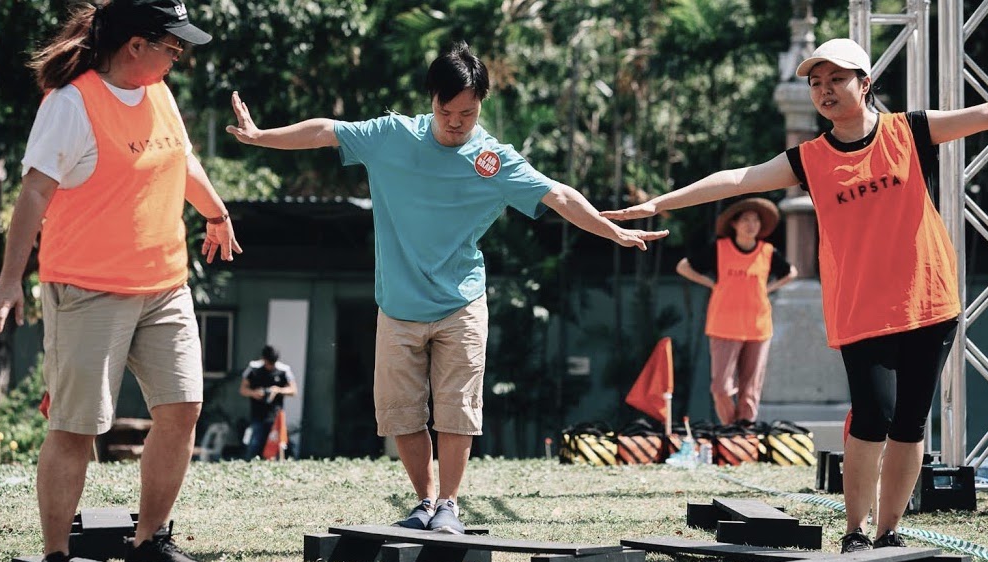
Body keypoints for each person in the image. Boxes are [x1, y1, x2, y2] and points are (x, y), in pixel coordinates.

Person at [603, 38, 988, 552]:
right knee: (872, 417)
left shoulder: (909, 131)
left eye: (836, 80)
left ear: (864, 84)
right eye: (816, 83)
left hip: (929, 302)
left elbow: (987, 112)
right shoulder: (810, 159)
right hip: (862, 310)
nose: (824, 91)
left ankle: (889, 531)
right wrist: (657, 205)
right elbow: (736, 179)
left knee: (912, 422)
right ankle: (853, 532)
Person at [226, 42, 666, 534]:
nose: (456, 122)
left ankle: (450, 507)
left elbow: (559, 194)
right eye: (446, 110)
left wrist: (612, 231)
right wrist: (262, 136)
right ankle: (423, 501)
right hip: (397, 305)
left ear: (482, 105)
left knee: (457, 410)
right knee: (403, 413)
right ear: (430, 99)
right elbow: (327, 131)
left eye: (468, 113)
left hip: (461, 303)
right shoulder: (391, 136)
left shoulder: (494, 161)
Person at [0, 0, 238, 562]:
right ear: (135, 46)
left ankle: (149, 541)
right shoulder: (72, 105)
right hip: (89, 289)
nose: (179, 55)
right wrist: (9, 279)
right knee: (76, 426)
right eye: (172, 45)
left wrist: (216, 212)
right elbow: (34, 196)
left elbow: (181, 161)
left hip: (165, 285)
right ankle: (55, 557)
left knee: (182, 407)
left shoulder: (160, 94)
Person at [676, 197, 797, 424]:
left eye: (755, 220)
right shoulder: (719, 249)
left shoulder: (767, 252)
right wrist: (711, 284)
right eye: (746, 220)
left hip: (758, 326)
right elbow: (683, 266)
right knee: (721, 388)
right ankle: (731, 428)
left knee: (750, 388)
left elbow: (791, 272)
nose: (751, 225)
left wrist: (768, 288)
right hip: (724, 325)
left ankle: (745, 431)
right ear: (734, 224)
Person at [240, 345, 297, 459]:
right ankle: (249, 463)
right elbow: (243, 390)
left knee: (278, 444)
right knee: (255, 443)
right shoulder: (253, 368)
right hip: (258, 414)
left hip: (276, 414)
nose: (270, 366)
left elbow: (293, 391)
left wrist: (278, 390)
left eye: (273, 363)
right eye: (268, 363)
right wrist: (254, 393)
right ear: (263, 359)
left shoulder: (283, 370)